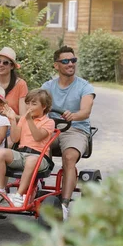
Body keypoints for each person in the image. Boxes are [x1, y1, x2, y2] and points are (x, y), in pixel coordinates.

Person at [41, 46, 96, 220]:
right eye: (65, 61)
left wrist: (74, 115)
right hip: (52, 128)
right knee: (34, 148)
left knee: (69, 157)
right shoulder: (48, 87)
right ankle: (31, 189)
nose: (70, 64)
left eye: (73, 60)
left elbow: (85, 111)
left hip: (76, 129)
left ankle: (64, 205)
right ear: (56, 65)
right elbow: (38, 107)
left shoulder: (84, 86)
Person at [0, 89, 55, 207]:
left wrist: (29, 120)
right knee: (1, 153)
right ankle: (0, 189)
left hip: (40, 158)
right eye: (28, 103)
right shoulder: (23, 119)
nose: (29, 107)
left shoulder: (49, 122)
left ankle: (19, 195)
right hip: (22, 154)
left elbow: (37, 137)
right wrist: (12, 119)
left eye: (34, 104)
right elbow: (15, 138)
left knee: (31, 160)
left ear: (44, 106)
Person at [0, 47, 28, 119]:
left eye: (5, 63)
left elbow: (23, 118)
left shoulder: (21, 84)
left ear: (12, 66)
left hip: (12, 127)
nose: (1, 65)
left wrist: (8, 115)